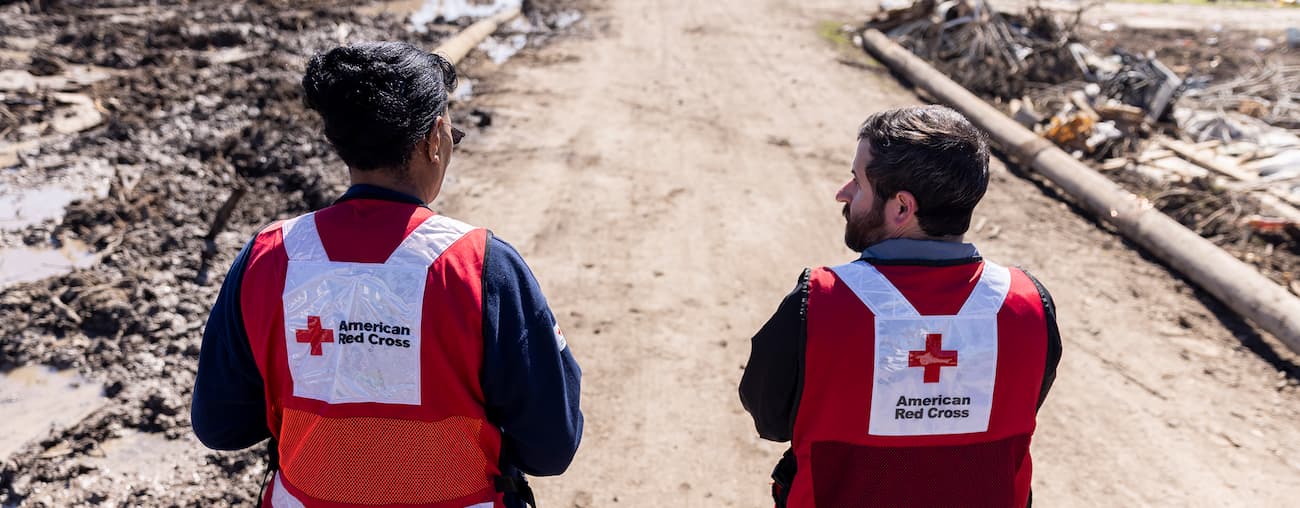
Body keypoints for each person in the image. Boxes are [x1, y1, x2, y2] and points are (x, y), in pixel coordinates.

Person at [191, 42, 582, 508]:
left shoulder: (268, 257)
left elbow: (220, 426)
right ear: (433, 139)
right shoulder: (480, 265)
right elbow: (551, 445)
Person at [739, 105, 1062, 507]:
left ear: (902, 208)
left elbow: (770, 419)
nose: (844, 193)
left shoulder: (817, 302)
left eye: (857, 182)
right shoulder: (1030, 305)